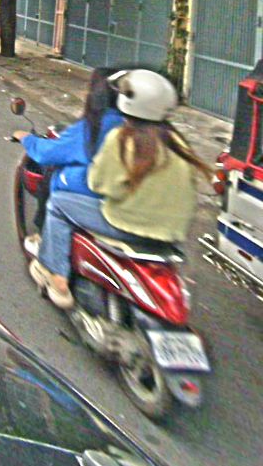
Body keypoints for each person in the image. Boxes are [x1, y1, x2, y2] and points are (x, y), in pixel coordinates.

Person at [28, 69, 211, 310]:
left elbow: (98, 184)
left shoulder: (122, 139)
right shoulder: (179, 144)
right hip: (171, 234)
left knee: (58, 204)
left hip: (125, 226)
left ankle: (56, 276)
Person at [12, 67, 123, 255]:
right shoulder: (139, 127)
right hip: (136, 208)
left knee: (54, 182)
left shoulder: (94, 126)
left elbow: (47, 153)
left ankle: (46, 248)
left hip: (103, 205)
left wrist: (26, 138)